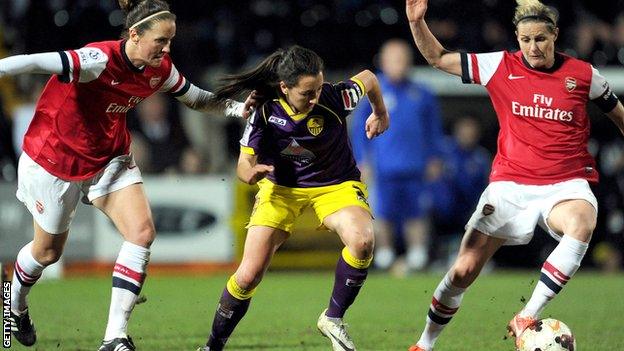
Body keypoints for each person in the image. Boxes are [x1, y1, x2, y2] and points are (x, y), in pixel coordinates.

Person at [0, 1, 255, 350]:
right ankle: (15, 303)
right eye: (161, 41)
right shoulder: (97, 60)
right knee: (47, 253)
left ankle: (113, 337)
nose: (167, 50)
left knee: (142, 232)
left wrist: (238, 108)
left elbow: (195, 99)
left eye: (171, 41)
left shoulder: (159, 68)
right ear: (134, 35)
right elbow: (31, 61)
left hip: (109, 158)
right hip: (54, 160)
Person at [404, 0, 624, 350]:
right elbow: (438, 58)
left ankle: (528, 314)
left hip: (565, 183)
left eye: (540, 39)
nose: (533, 47)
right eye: (525, 39)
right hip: (510, 185)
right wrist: (417, 22)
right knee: (464, 270)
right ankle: (424, 343)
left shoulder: (583, 74)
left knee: (582, 222)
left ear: (555, 36)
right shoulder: (498, 66)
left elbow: (616, 111)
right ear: (517, 38)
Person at [197, 45, 389, 351]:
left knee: (363, 241)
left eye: (318, 88)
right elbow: (243, 165)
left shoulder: (334, 96)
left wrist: (380, 113)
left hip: (334, 185)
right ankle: (212, 346)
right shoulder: (264, 111)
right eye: (307, 92)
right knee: (247, 276)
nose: (315, 97)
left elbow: (369, 78)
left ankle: (333, 318)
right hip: (281, 190)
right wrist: (249, 173)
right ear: (284, 87)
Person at [350, 39, 445, 271]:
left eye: (402, 59)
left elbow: (433, 129)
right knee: (382, 212)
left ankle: (417, 254)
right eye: (394, 59)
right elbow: (358, 131)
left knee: (416, 212)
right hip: (383, 167)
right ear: (383, 62)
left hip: (415, 166)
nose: (399, 64)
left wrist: (435, 157)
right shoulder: (373, 92)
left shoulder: (422, 93)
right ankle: (383, 254)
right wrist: (361, 160)